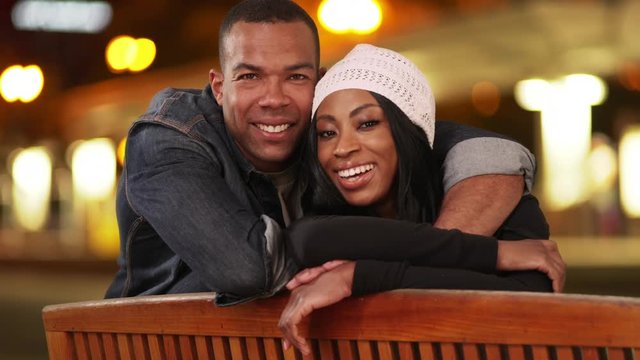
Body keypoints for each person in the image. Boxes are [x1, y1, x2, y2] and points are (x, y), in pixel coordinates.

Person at [105, 0, 542, 306]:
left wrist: (359, 271)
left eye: (295, 77)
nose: (274, 98)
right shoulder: (168, 139)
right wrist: (479, 256)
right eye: (251, 76)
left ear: (318, 82)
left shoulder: (320, 130)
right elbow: (249, 269)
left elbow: (445, 139)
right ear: (220, 87)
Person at [278, 44, 565, 354]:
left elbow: (529, 297)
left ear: (408, 130)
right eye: (326, 133)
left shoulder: (500, 200)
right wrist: (497, 254)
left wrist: (356, 275)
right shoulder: (325, 222)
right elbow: (309, 238)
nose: (343, 148)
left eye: (367, 124)